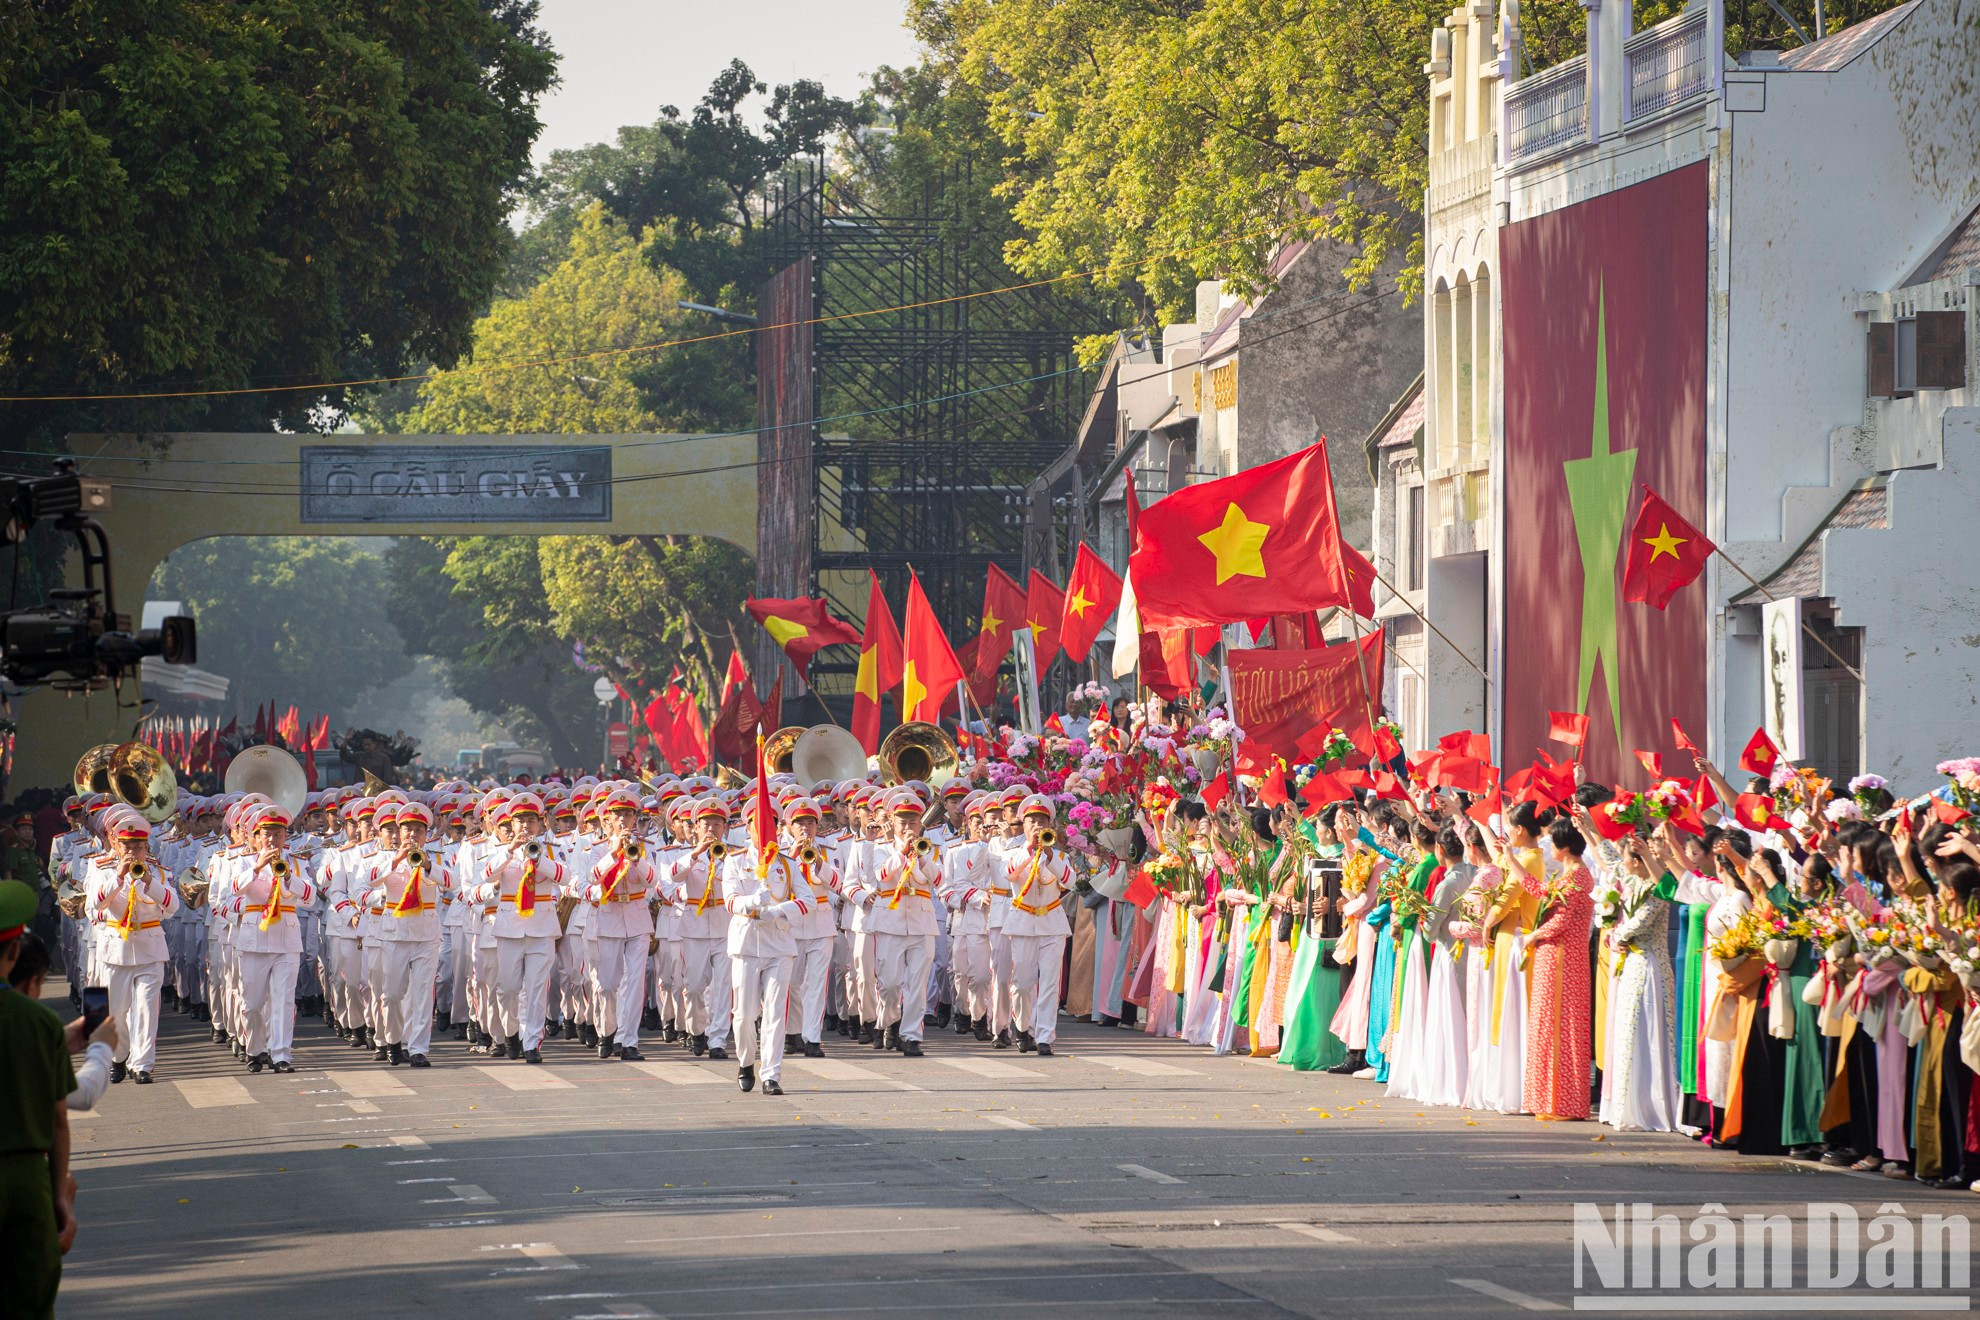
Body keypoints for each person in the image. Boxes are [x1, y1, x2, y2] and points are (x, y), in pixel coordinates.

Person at [0, 878, 77, 1320]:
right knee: (31, 1299)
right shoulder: (38, 1022)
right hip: (26, 1174)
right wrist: (60, 1196)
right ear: (14, 954)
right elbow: (59, 1120)